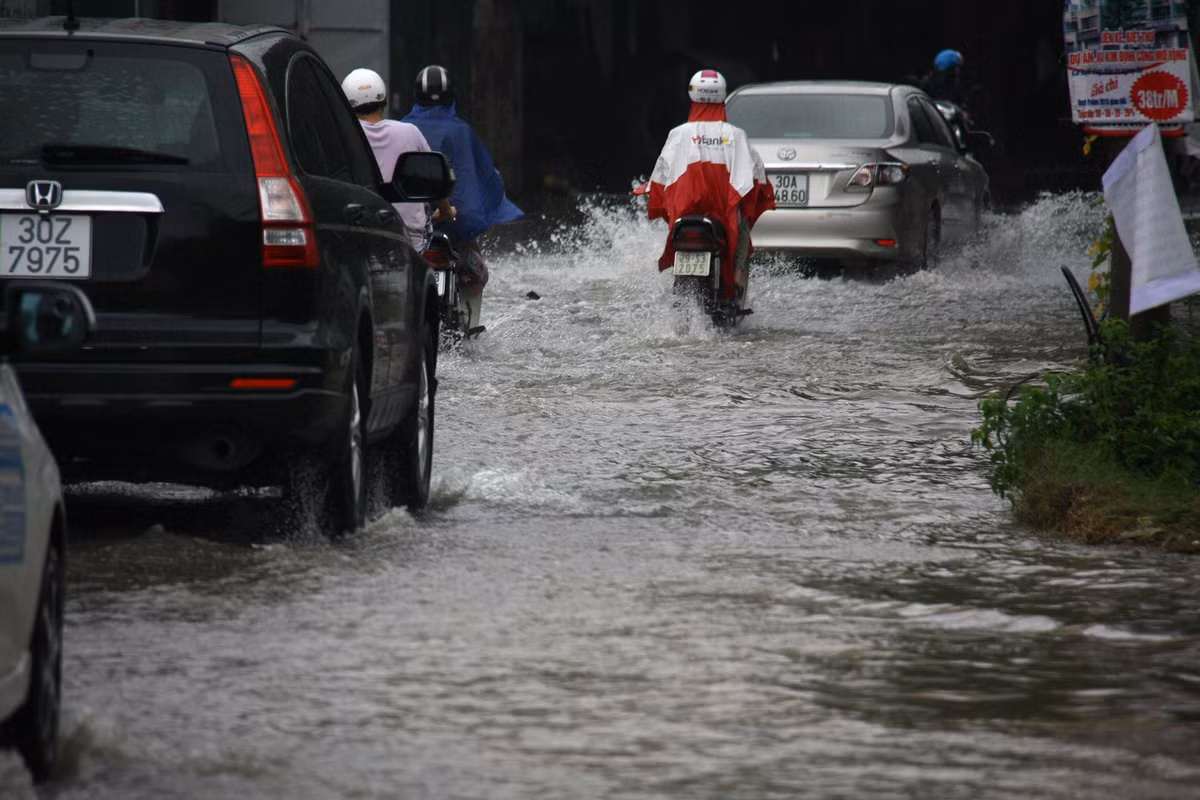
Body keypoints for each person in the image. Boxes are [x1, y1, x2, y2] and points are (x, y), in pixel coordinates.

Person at [403, 64, 523, 334]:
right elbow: (478, 179)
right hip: (452, 227)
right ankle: (470, 327)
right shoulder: (461, 131)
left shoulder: (401, 129)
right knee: (478, 273)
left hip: (410, 229)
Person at [646, 69, 775, 304]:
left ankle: (679, 272)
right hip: (723, 212)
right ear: (722, 96)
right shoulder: (736, 136)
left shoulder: (678, 134)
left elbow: (661, 176)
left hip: (685, 212)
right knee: (743, 220)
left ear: (692, 95)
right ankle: (736, 275)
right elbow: (753, 178)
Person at [340, 67, 455, 252]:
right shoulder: (410, 132)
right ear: (383, 101)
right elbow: (436, 177)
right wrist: (446, 211)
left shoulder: (341, 137)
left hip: (357, 239)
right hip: (412, 244)